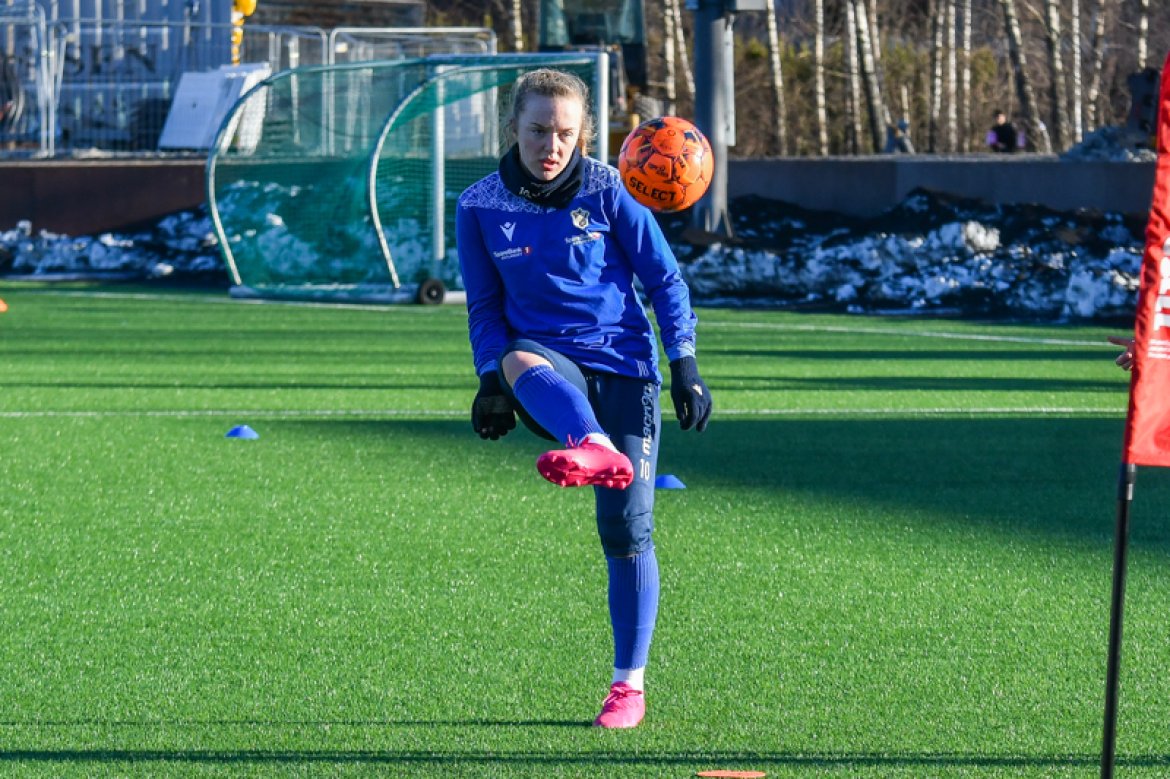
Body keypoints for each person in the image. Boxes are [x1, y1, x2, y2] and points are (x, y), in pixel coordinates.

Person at [455, 68, 712, 729]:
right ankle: (590, 442)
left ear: (585, 135)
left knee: (627, 531)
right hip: (551, 372)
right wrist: (489, 379)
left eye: (565, 133)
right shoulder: (478, 205)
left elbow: (665, 281)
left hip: (626, 370)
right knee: (517, 354)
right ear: (513, 128)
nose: (552, 145)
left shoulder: (612, 189)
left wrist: (684, 363)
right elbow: (485, 307)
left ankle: (628, 687)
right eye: (538, 130)